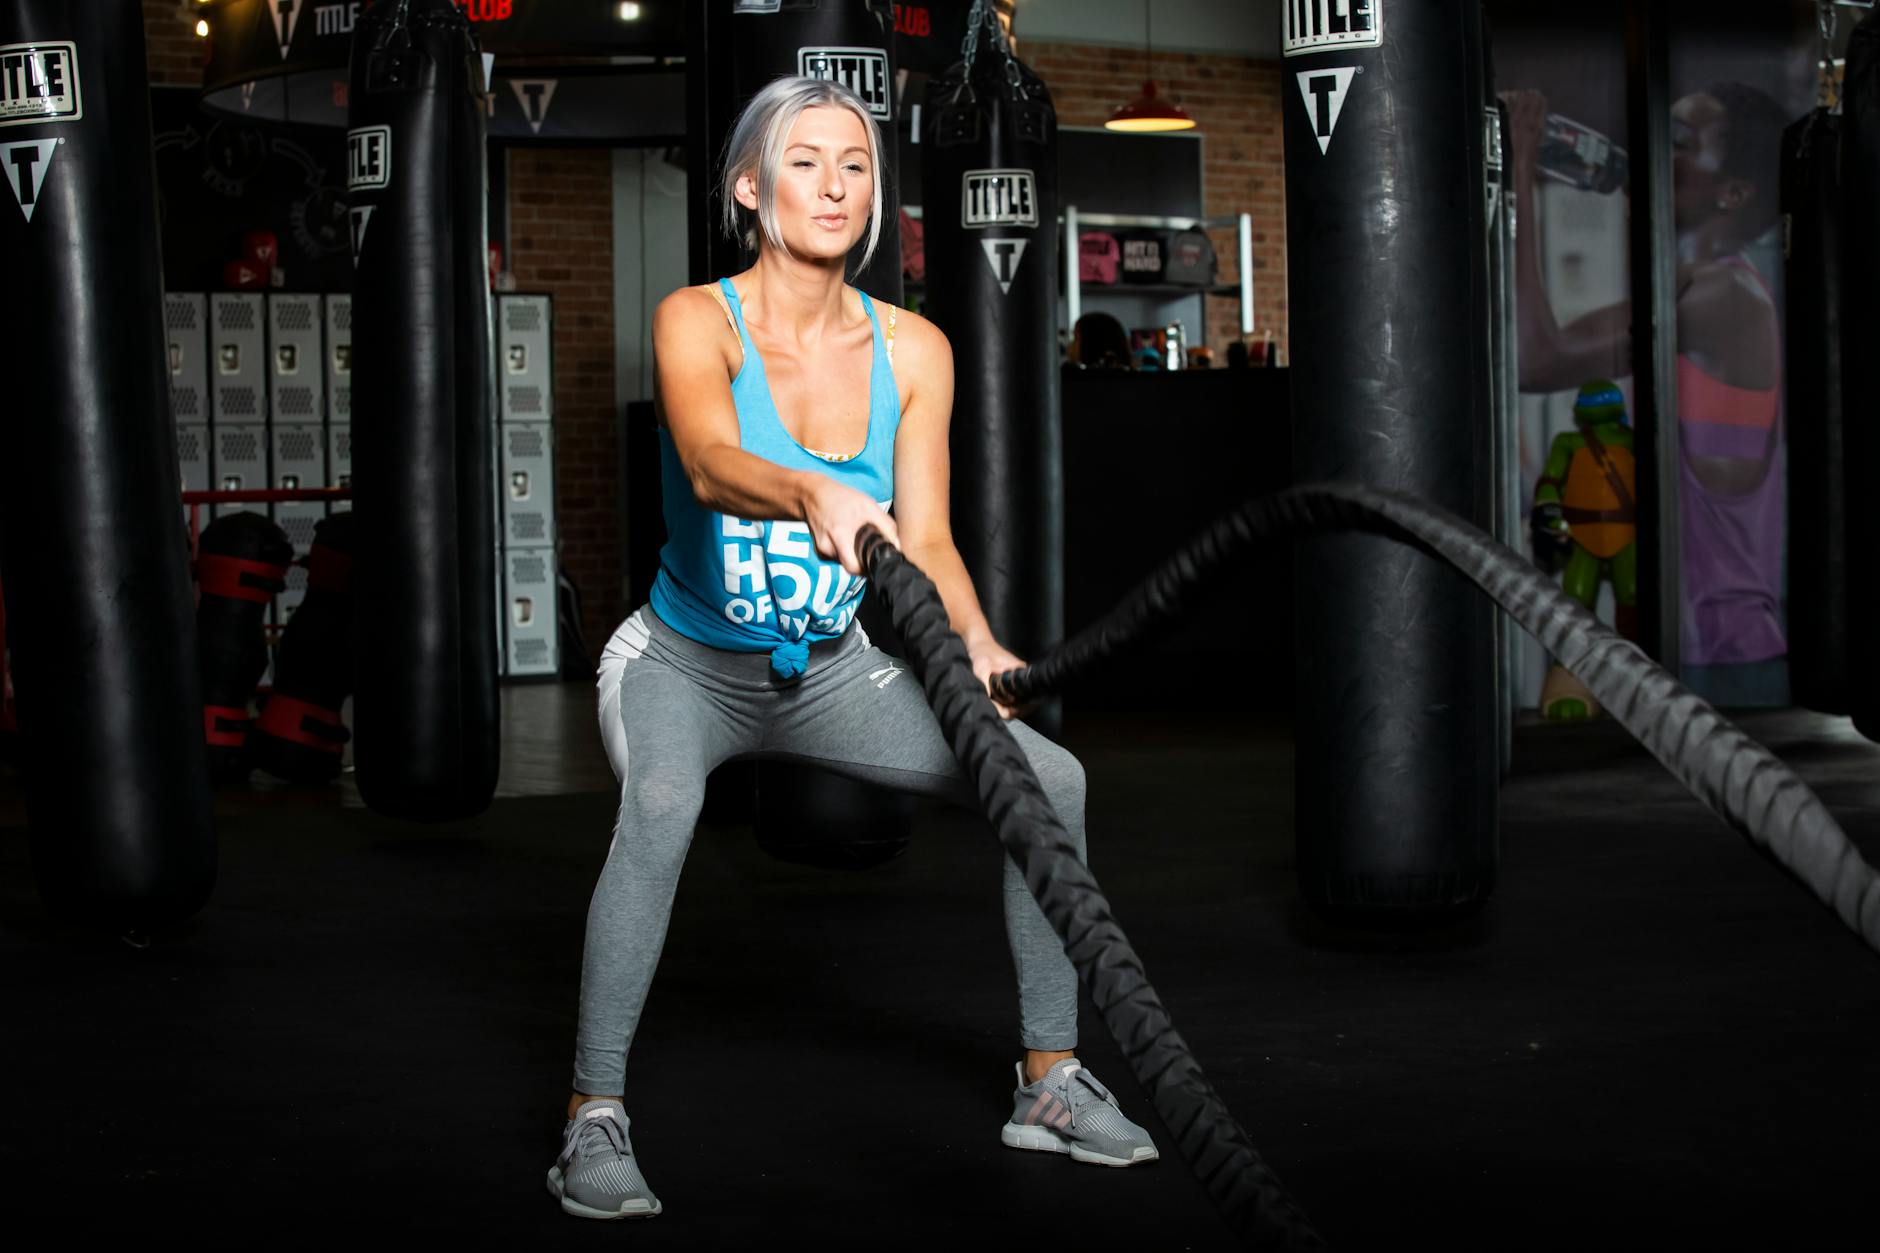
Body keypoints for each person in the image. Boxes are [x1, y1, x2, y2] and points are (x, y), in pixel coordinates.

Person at [546, 76, 1158, 1222]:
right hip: (681, 664)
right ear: (748, 186)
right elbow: (706, 462)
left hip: (831, 672)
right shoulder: (696, 319)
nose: (832, 186)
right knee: (665, 803)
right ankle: (592, 1111)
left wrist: (975, 645)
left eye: (855, 165)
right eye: (804, 161)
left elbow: (923, 534)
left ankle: (1048, 1079)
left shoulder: (913, 347)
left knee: (1051, 780)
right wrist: (810, 489)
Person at [1504, 82, 1790, 704]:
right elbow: (1529, 361)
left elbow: (1543, 357)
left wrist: (1523, 168)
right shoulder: (1681, 293)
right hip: (1683, 649)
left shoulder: (1729, 299)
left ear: (1732, 193)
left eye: (1681, 145)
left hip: (1728, 656)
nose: (1655, 156)